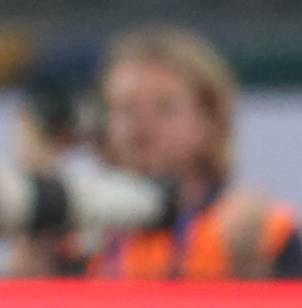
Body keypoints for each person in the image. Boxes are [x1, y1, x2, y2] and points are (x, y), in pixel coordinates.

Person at [90, 28, 300, 280]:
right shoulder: (85, 234)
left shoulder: (257, 231)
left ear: (209, 120)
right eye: (125, 108)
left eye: (165, 107)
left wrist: (251, 272)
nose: (141, 122)